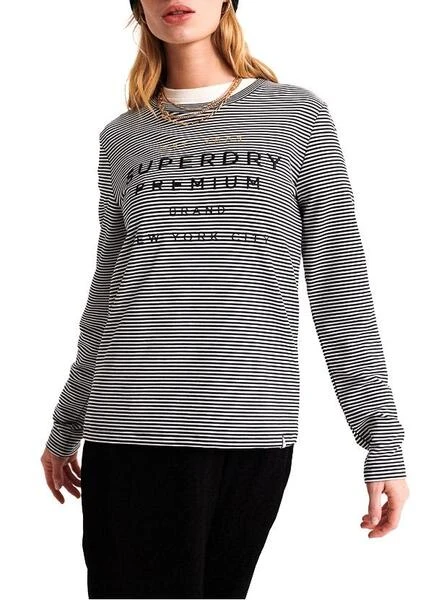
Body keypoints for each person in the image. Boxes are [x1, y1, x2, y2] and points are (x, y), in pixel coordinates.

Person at [41, 1, 410, 598]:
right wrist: (68, 421)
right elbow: (107, 289)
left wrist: (381, 441)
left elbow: (338, 280)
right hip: (132, 423)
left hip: (252, 424)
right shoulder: (125, 135)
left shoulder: (295, 114)